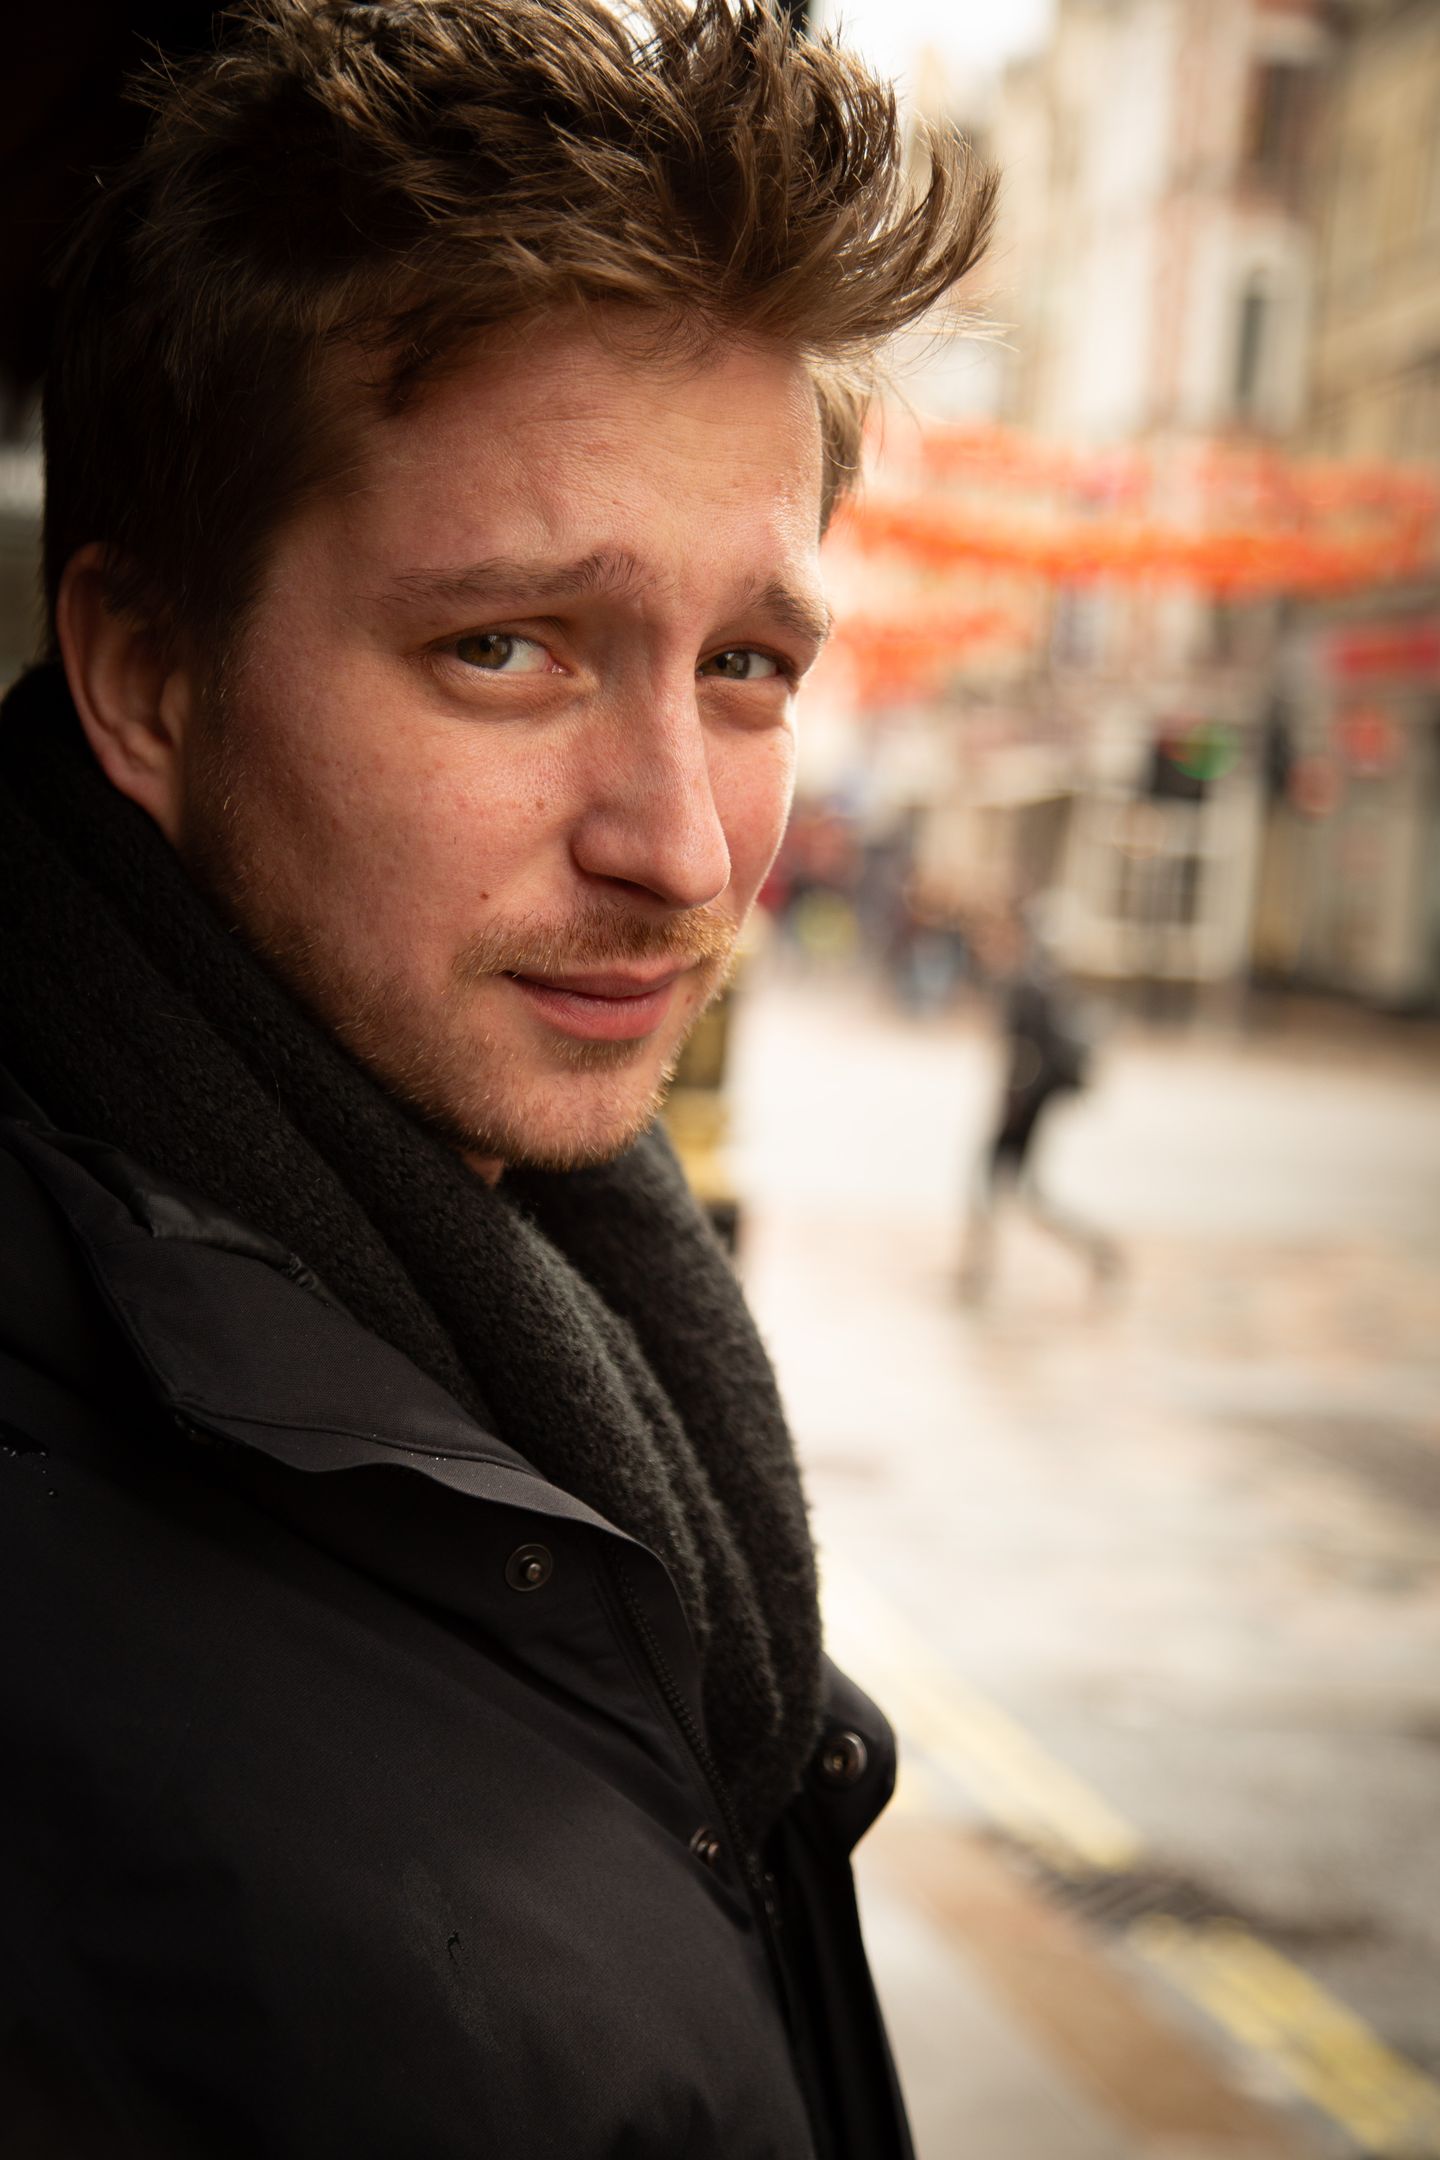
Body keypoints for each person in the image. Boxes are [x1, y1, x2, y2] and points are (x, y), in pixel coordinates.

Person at [0, 3, 996, 2153]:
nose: (681, 847)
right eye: (509, 648)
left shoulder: (554, 1310)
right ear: (147, 679)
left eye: (747, 666)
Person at [960, 899, 1122, 1302]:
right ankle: (980, 1269)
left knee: (1005, 1190)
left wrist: (1012, 1108)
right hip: (1029, 1106)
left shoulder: (1025, 985)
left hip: (1023, 1108)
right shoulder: (1037, 980)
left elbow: (1025, 1057)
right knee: (1010, 1191)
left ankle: (981, 1271)